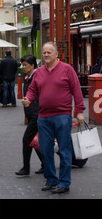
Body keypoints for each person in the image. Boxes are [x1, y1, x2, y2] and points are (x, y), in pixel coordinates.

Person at [22, 42, 85, 194]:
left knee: (64, 150)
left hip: (62, 116)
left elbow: (76, 90)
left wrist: (80, 110)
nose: (46, 54)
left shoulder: (67, 69)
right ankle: (51, 180)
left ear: (56, 54)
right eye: (44, 52)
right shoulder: (39, 72)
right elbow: (32, 90)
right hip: (43, 117)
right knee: (45, 149)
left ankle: (64, 182)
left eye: (49, 52)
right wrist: (28, 99)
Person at [15, 54, 43, 176]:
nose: (23, 67)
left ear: (32, 65)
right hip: (33, 114)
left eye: (25, 65)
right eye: (23, 65)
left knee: (27, 139)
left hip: (37, 114)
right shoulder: (28, 77)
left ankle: (26, 168)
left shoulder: (37, 77)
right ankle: (46, 164)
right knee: (34, 141)